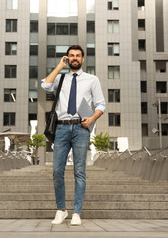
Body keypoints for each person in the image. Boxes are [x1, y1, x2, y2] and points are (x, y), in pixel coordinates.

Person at [41, 45, 105, 226]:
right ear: (67, 58)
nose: (75, 58)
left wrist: (91, 119)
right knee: (57, 171)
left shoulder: (92, 80)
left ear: (83, 59)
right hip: (61, 129)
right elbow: (45, 85)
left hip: (81, 129)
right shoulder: (60, 77)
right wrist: (59, 66)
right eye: (71, 56)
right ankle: (61, 210)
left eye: (78, 56)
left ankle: (77, 212)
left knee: (79, 172)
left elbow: (101, 104)